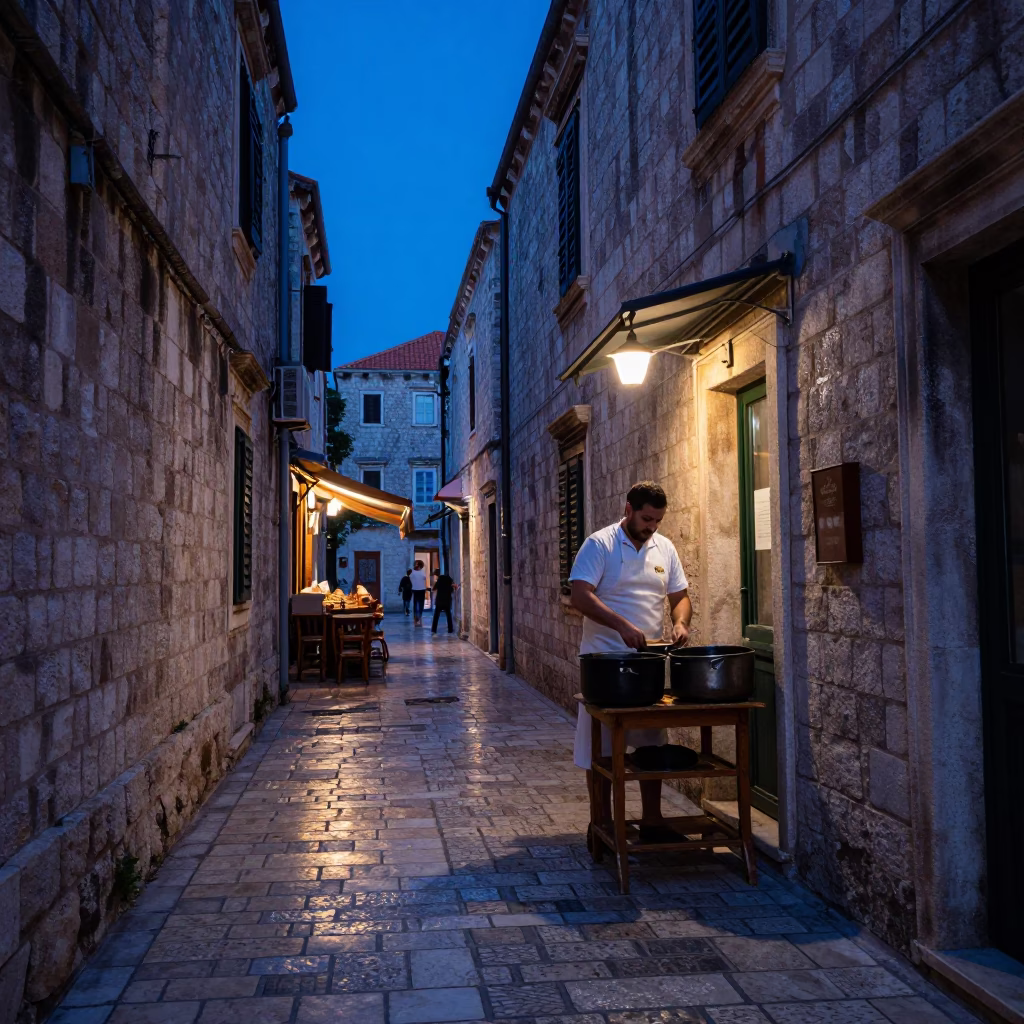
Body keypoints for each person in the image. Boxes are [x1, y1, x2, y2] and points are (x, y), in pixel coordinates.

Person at [569, 481, 692, 842]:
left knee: (651, 744)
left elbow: (680, 596)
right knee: (603, 749)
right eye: (646, 518)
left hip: (648, 664)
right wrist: (621, 625)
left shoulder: (664, 548)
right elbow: (580, 595)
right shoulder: (600, 544)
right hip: (604, 665)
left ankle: (653, 820)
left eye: (657, 520)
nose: (652, 526)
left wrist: (681, 621)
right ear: (628, 509)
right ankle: (602, 823)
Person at [431, 568, 457, 634]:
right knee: (448, 615)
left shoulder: (439, 581)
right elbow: (452, 591)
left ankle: (434, 630)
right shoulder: (449, 582)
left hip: (439, 601)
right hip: (447, 601)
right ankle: (450, 629)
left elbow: (433, 589)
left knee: (436, 616)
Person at [409, 560, 428, 625]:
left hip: (416, 589)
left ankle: (417, 616)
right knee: (420, 603)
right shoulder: (421, 572)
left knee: (417, 603)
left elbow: (410, 578)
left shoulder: (413, 572)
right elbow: (425, 578)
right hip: (420, 589)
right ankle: (418, 616)